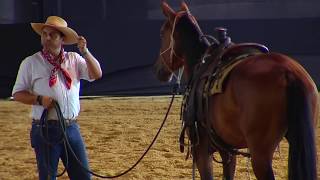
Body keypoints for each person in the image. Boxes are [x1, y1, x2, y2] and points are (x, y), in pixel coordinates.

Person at [12, 16, 102, 180]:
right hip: (45, 128)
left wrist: (85, 52)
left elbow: (97, 74)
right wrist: (39, 100)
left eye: (52, 35)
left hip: (71, 127)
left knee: (83, 176)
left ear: (62, 39)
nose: (46, 38)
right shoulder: (30, 63)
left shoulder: (74, 59)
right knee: (48, 177)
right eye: (44, 34)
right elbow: (17, 94)